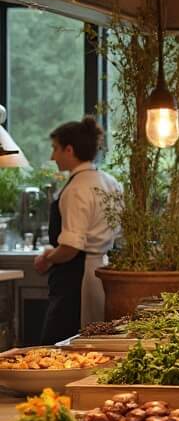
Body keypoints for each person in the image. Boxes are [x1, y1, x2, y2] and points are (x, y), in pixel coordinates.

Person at [35, 116, 122, 342]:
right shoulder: (110, 182)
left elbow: (71, 248)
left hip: (77, 277)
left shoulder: (76, 189)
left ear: (69, 150)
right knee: (94, 339)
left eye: (55, 149)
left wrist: (47, 258)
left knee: (63, 343)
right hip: (104, 269)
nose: (51, 156)